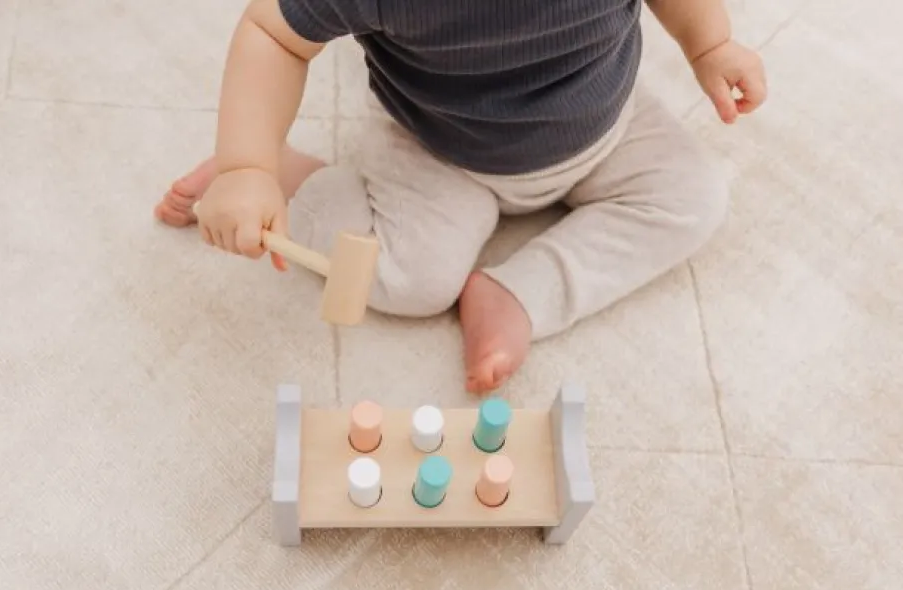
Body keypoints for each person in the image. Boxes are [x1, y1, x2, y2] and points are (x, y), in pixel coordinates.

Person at [154, 0, 766, 393]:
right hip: (438, 149)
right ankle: (294, 176)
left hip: (606, 124)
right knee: (407, 280)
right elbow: (274, 34)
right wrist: (247, 163)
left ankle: (518, 293)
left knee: (695, 197)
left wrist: (709, 45)